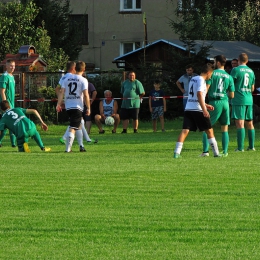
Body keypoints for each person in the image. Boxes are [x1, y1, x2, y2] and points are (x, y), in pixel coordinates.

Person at [173, 63, 222, 158]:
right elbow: (199, 94)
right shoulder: (201, 80)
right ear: (208, 72)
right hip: (197, 110)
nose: (210, 76)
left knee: (185, 131)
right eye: (211, 74)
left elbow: (194, 96)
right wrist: (204, 109)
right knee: (209, 131)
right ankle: (216, 153)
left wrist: (206, 105)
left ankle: (176, 153)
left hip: (189, 108)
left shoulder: (193, 79)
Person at [200, 55, 235, 157]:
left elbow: (206, 88)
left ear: (218, 62)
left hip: (214, 102)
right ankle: (225, 152)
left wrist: (202, 100)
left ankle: (205, 152)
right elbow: (232, 95)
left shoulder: (213, 73)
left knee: (206, 127)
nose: (214, 63)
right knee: (224, 128)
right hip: (225, 102)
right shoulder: (229, 76)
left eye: (215, 61)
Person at [56, 61, 92, 150]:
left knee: (78, 124)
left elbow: (61, 92)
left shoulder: (66, 78)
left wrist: (59, 104)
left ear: (75, 68)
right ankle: (68, 149)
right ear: (84, 69)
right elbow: (86, 95)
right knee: (73, 127)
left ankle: (81, 146)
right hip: (77, 106)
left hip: (68, 107)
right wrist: (88, 107)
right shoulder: (83, 80)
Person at [230, 53, 255, 152]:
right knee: (250, 123)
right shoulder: (251, 71)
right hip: (249, 99)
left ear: (238, 60)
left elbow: (230, 84)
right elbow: (252, 88)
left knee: (240, 123)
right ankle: (251, 146)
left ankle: (240, 148)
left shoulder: (235, 70)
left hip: (239, 99)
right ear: (247, 61)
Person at [0, 59, 16, 147]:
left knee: (10, 123)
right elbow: (2, 91)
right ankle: (13, 143)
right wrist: (5, 104)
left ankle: (13, 143)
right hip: (6, 105)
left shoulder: (12, 76)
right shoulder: (4, 76)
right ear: (6, 66)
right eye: (11, 65)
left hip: (11, 104)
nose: (12, 67)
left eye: (13, 66)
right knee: (7, 123)